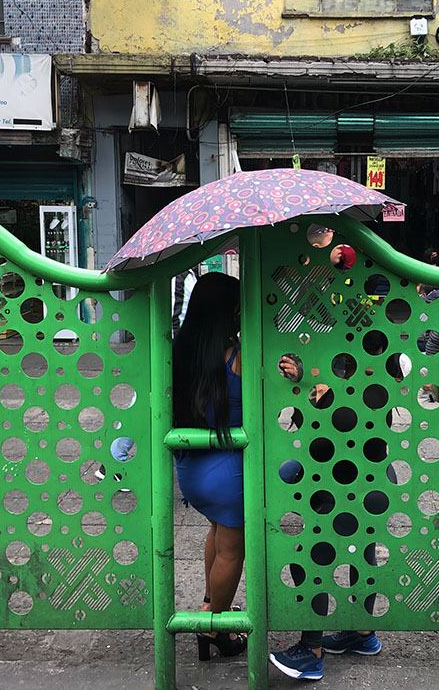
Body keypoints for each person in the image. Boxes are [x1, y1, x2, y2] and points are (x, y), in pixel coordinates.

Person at [269, 353, 383, 682]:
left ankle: (311, 650)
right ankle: (361, 634)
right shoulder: (379, 383)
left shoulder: (342, 394)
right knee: (365, 552)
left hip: (343, 487)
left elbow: (322, 444)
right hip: (371, 485)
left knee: (312, 556)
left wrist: (307, 386)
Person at [171, 272, 247, 661]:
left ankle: (209, 604)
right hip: (229, 470)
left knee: (215, 531)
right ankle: (215, 624)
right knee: (233, 550)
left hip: (190, 468)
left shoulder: (179, 349)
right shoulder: (237, 356)